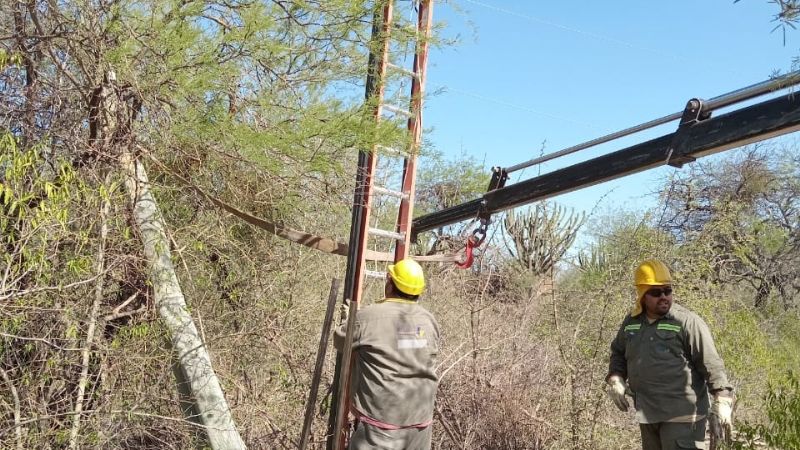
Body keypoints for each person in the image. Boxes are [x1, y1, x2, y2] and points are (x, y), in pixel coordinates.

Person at [606, 259, 734, 450]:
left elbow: (711, 363)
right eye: (656, 293)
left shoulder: (687, 322)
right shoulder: (631, 322)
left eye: (668, 291)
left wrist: (722, 399)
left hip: (683, 417)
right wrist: (616, 378)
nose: (664, 296)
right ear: (642, 294)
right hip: (648, 415)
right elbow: (618, 352)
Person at [334, 258, 440, 450]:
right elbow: (403, 343)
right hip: (421, 424)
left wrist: (350, 320)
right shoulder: (429, 320)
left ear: (390, 284)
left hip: (382, 428)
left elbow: (340, 341)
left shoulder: (367, 317)